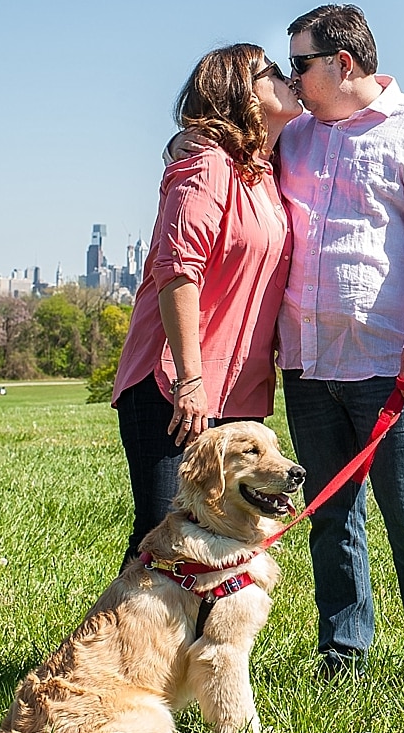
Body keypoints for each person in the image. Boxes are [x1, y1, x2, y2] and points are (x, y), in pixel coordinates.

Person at [277, 5, 404, 698]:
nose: (290, 76)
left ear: (343, 64)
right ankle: (342, 650)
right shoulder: (292, 136)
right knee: (330, 513)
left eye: (299, 63)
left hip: (391, 363)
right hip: (307, 361)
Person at [110, 44, 302, 567]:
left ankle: (211, 650)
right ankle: (122, 648)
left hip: (239, 385)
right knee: (166, 540)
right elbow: (178, 270)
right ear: (243, 93)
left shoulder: (267, 170)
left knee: (228, 545)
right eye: (274, 72)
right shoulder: (208, 164)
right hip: (175, 381)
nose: (290, 79)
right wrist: (190, 381)